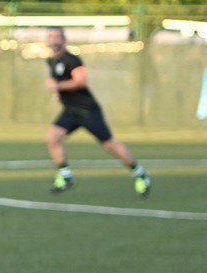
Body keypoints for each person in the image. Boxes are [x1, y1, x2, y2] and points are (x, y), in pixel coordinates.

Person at [43, 26, 151, 197]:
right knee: (52, 137)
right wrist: (58, 93)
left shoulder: (72, 60)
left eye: (57, 36)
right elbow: (60, 81)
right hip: (70, 111)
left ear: (64, 39)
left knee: (110, 145)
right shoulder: (51, 61)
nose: (53, 39)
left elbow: (81, 81)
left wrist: (58, 86)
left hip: (87, 111)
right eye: (50, 36)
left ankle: (139, 173)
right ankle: (65, 176)